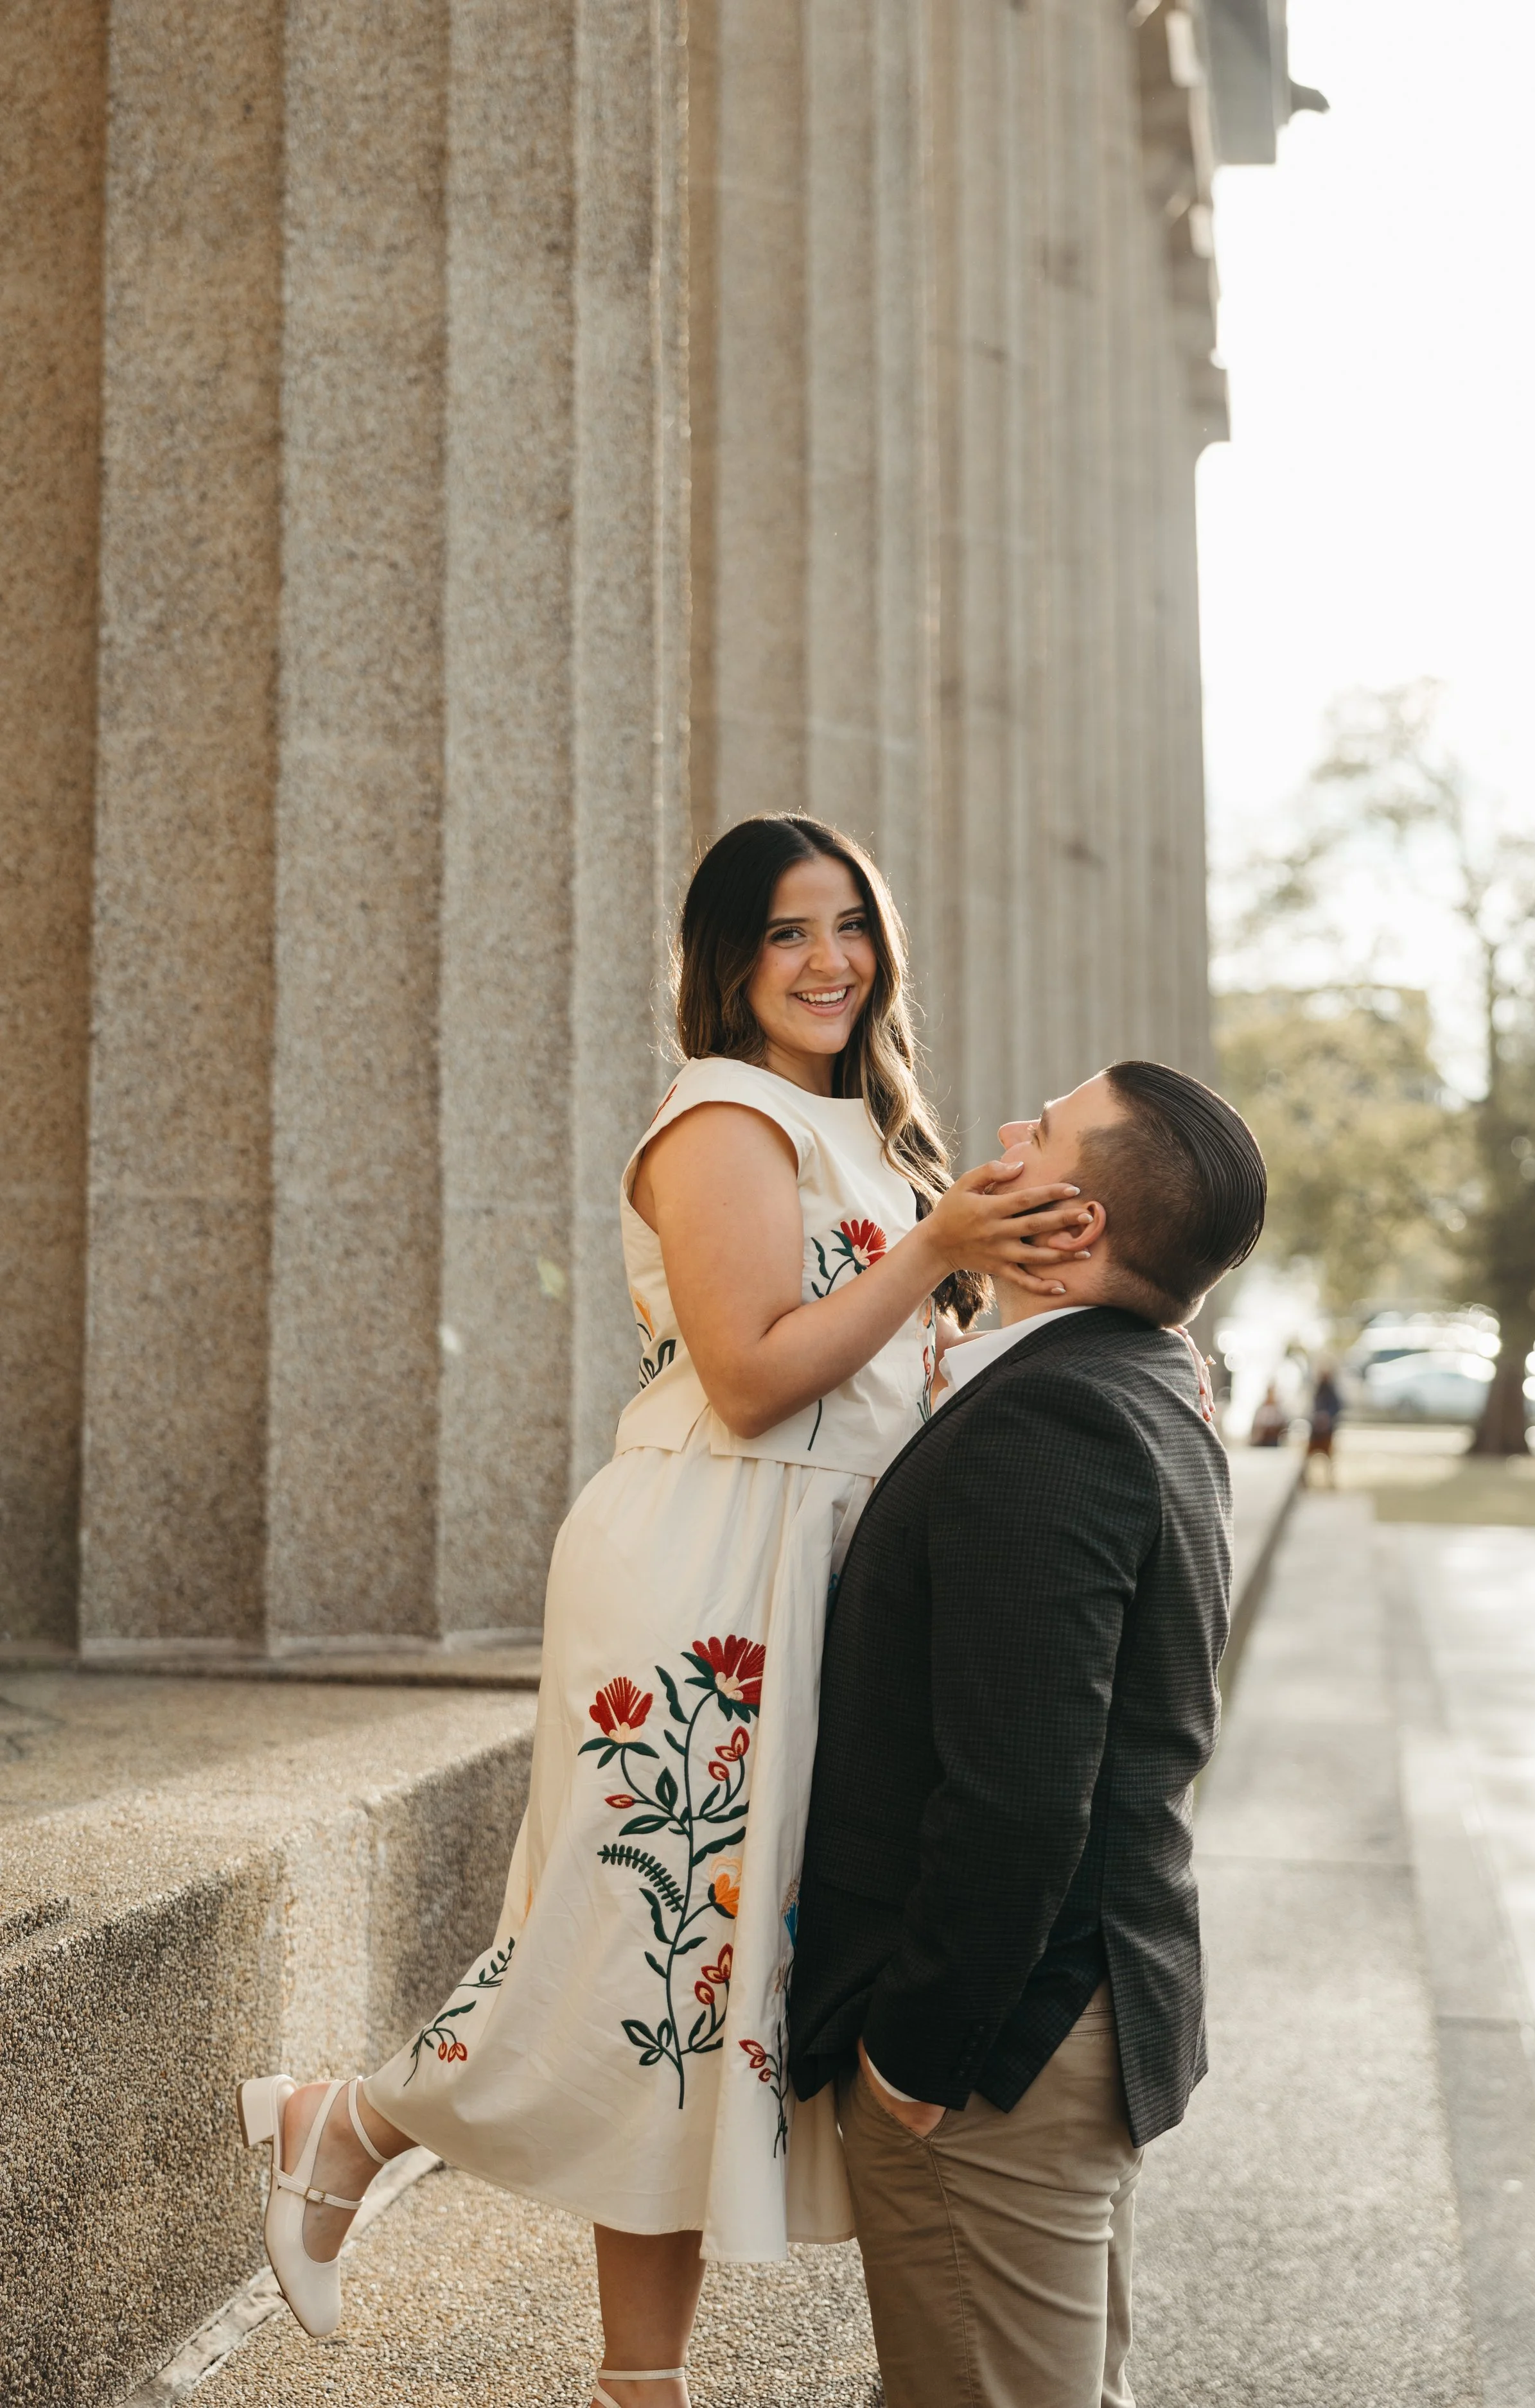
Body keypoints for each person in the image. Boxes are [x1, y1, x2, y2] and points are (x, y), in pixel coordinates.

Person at [233, 815, 1092, 2408]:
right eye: (786, 932)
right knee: (644, 1952)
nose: (830, 959)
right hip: (703, 1567)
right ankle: (348, 2121)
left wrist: (985, 1274)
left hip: (810, 1579)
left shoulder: (873, 1139)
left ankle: (630, 2374)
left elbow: (885, 1381)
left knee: (710, 2007)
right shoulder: (718, 1116)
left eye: (849, 925)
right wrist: (936, 1249)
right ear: (726, 958)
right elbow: (758, 1376)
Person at [789, 1061, 1267, 2408]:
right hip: (1069, 2017)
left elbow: (1017, 1795)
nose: (1007, 1131)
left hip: (999, 2048)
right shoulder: (1141, 1385)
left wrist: (912, 2058)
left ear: (1073, 1229)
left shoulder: (1050, 1419)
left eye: (1043, 1130)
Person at [1305, 1363, 1343, 1485]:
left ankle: (1330, 1479)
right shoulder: (1318, 1391)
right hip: (1316, 1431)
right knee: (1309, 1456)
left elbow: (1337, 1408)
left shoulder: (1331, 1392)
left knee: (1329, 1457)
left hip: (1327, 1430)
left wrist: (1327, 1417)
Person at [1250, 1379, 1289, 1447]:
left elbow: (1284, 1426)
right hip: (1262, 1442)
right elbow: (1256, 1427)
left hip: (1274, 1442)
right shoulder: (1261, 1409)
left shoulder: (1278, 1410)